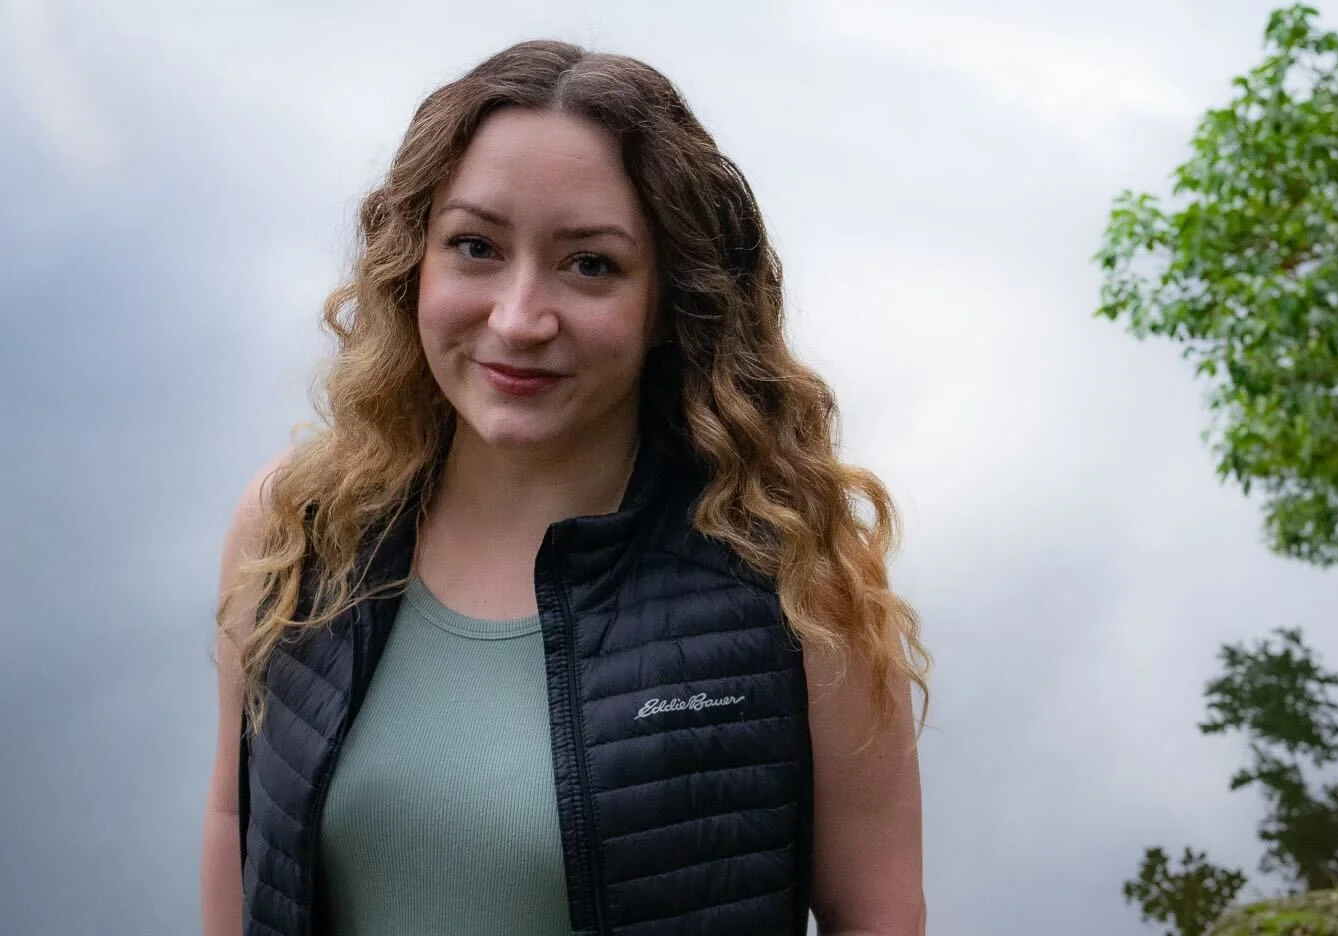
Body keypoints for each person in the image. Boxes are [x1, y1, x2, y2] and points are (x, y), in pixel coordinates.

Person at [200, 38, 931, 936]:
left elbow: (878, 914)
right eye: (475, 247)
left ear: (672, 298)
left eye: (590, 264)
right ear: (410, 264)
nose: (519, 319)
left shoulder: (800, 579)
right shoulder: (297, 527)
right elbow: (234, 824)